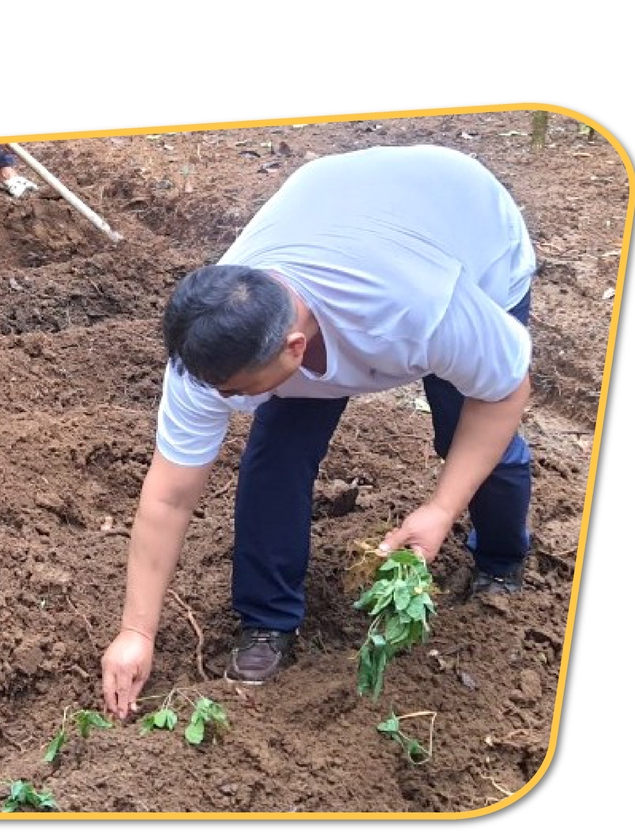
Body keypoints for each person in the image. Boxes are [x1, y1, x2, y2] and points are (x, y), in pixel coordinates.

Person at [100, 144, 539, 717]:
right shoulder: (210, 352)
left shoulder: (418, 310)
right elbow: (169, 494)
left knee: (471, 436)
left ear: (293, 349)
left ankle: (501, 561)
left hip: (465, 227)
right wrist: (138, 631)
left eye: (237, 391)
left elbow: (506, 392)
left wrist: (439, 509)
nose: (224, 401)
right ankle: (266, 620)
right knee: (275, 454)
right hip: (333, 206)